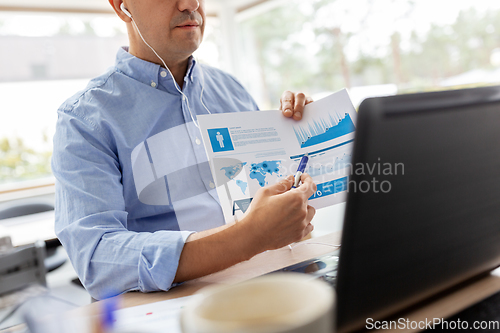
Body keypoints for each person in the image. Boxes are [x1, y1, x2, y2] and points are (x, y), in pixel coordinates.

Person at [52, 0, 316, 300]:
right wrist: (248, 237)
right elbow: (97, 259)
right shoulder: (84, 120)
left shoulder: (232, 90)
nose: (192, 4)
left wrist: (300, 149)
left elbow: (269, 206)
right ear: (121, 6)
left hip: (274, 286)